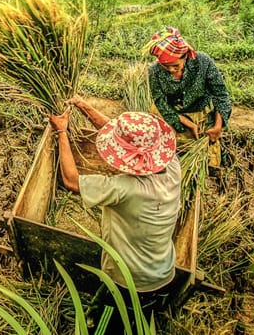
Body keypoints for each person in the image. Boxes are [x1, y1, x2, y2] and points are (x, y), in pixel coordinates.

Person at [51, 96, 182, 334]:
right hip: (162, 272)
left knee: (101, 327)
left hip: (128, 280)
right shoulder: (172, 165)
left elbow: (70, 180)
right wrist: (83, 105)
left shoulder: (125, 189)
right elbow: (121, 135)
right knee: (139, 321)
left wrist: (62, 132)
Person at [146, 27, 231, 157]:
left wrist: (218, 126)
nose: (171, 70)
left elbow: (220, 94)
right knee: (164, 148)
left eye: (175, 66)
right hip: (171, 112)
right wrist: (187, 123)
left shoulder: (203, 62)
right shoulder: (154, 71)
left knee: (209, 154)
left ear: (185, 56)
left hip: (199, 111)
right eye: (165, 66)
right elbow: (160, 102)